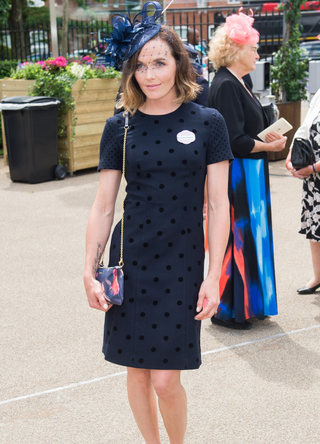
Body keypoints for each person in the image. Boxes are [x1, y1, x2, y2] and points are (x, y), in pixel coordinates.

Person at [83, 2, 234, 443]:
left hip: (184, 261)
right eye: (141, 66)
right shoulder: (120, 128)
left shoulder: (209, 123)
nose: (150, 75)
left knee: (167, 380)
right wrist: (87, 273)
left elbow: (220, 205)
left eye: (159, 63)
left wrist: (214, 275)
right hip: (133, 261)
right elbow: (103, 207)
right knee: (137, 375)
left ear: (177, 64)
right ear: (131, 72)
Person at [207, 9, 287, 330]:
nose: (258, 53)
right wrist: (269, 146)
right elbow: (236, 141)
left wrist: (267, 132)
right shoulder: (226, 84)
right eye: (253, 48)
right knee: (239, 238)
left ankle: (252, 304)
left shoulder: (240, 80)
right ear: (236, 51)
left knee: (254, 237)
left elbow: (247, 129)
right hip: (238, 174)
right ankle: (231, 309)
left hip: (251, 172)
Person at [285, 77, 320, 295]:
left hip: (316, 171)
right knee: (315, 228)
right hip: (315, 177)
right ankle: (318, 276)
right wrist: (290, 155)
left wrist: (314, 168)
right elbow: (304, 128)